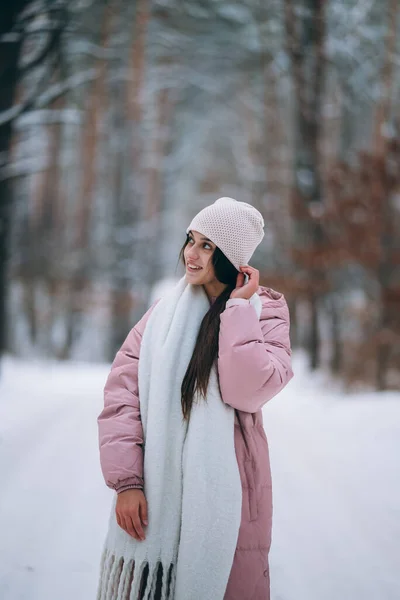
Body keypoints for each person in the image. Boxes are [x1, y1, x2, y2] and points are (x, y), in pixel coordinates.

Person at [96, 197, 294, 600]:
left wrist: (237, 310)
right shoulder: (162, 317)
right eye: (191, 240)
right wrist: (128, 482)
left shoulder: (265, 312)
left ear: (230, 256)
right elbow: (122, 395)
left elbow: (247, 391)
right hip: (157, 490)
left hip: (231, 491)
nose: (191, 253)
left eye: (207, 245)